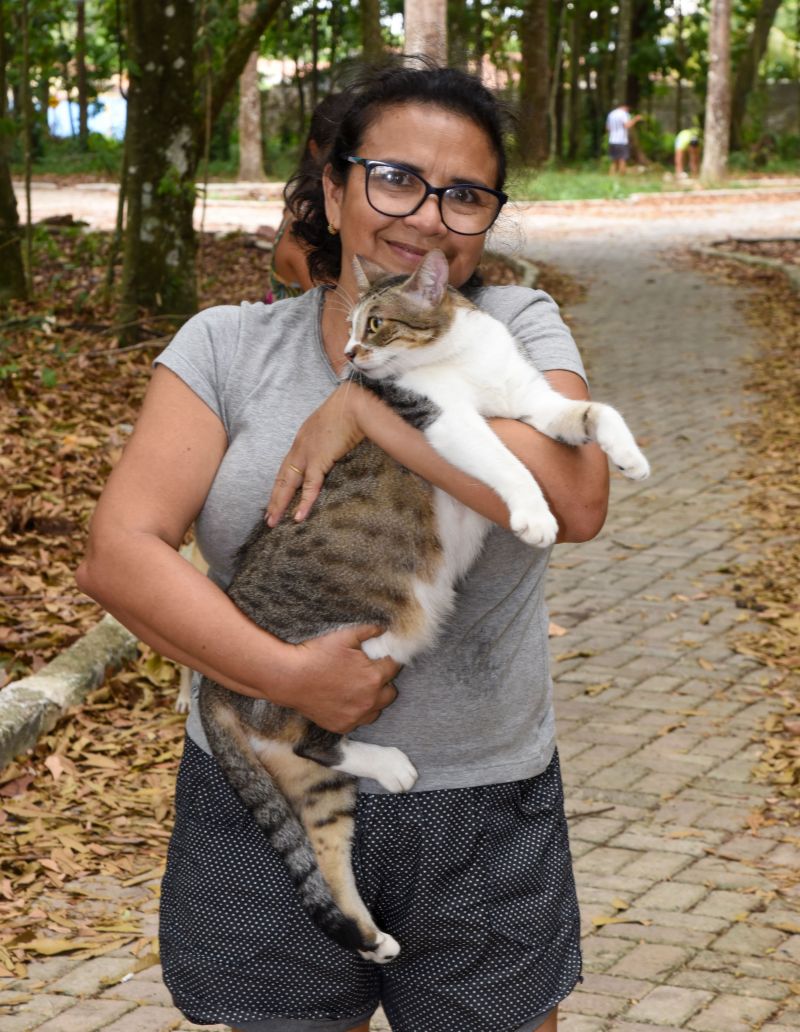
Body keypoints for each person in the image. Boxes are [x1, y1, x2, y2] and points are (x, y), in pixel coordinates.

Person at [77, 62, 610, 1032]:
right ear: (331, 188)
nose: (427, 217)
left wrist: (369, 406)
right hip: (267, 780)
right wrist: (289, 675)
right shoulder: (226, 347)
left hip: (478, 803)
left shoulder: (513, 325)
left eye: (465, 195)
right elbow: (120, 553)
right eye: (394, 178)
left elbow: (573, 499)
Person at [265, 92, 352, 302]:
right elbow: (339, 308)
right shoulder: (304, 228)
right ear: (315, 150)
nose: (348, 167)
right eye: (338, 155)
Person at [605, 102, 643, 174]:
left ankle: (611, 176)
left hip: (612, 140)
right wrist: (636, 119)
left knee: (614, 160)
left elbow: (607, 128)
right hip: (621, 140)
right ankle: (621, 176)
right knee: (622, 159)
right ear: (625, 107)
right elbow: (627, 125)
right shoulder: (623, 114)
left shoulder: (611, 114)